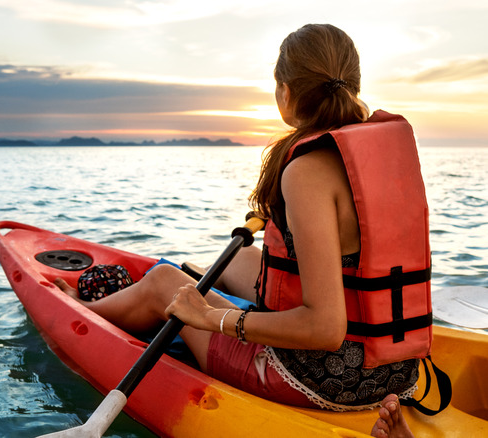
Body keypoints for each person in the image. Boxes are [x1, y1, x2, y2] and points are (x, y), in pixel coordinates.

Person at [55, 23, 429, 435]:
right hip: (397, 371)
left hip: (326, 381)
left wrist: (216, 317)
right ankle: (186, 286)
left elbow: (325, 329)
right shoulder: (379, 155)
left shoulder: (308, 172)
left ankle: (80, 309)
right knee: (248, 258)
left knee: (165, 281)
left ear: (285, 93)